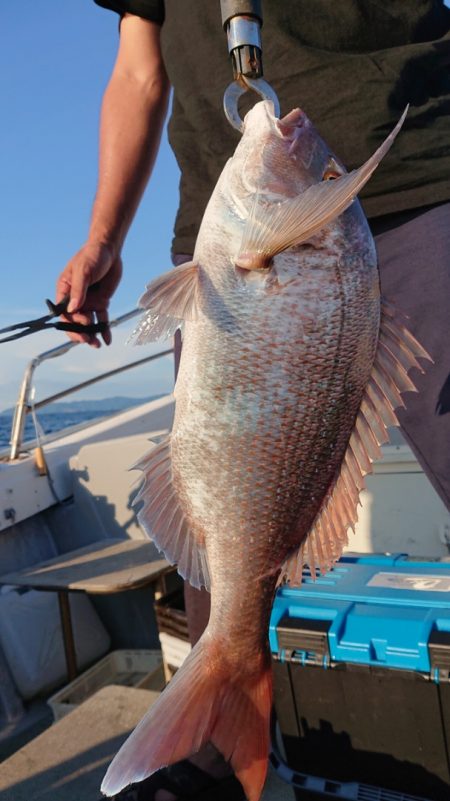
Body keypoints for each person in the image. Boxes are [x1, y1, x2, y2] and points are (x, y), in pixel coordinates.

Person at [56, 3, 450, 799]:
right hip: (232, 236)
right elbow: (140, 67)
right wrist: (104, 235)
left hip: (418, 173)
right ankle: (209, 752)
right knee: (221, 533)